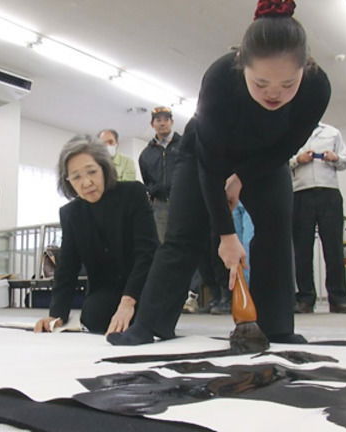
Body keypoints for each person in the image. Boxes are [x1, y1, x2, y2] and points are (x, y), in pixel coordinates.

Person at [108, 0, 330, 345]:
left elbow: (286, 146)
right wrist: (226, 237)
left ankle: (276, 326)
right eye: (261, 83)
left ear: (305, 68)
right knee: (184, 234)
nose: (274, 93)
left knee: (274, 232)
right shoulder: (219, 78)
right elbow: (210, 165)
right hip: (203, 154)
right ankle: (150, 325)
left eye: (288, 84)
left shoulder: (317, 87)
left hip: (265, 160)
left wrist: (241, 179)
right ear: (242, 65)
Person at [34, 135, 158, 334]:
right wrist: (56, 315)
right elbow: (67, 267)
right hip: (107, 287)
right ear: (68, 181)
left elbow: (147, 252)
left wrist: (128, 301)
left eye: (92, 172)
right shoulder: (70, 214)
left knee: (150, 320)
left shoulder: (133, 194)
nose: (86, 182)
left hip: (145, 282)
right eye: (76, 177)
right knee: (94, 318)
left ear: (104, 168)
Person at [291, 122, 346, 314]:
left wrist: (335, 158)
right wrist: (298, 159)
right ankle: (305, 298)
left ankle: (339, 299)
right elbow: (281, 161)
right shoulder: (292, 130)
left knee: (334, 248)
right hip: (301, 192)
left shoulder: (332, 132)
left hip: (329, 192)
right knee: (302, 249)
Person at [138, 106, 183, 242]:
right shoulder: (146, 154)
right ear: (152, 124)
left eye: (166, 119)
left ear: (172, 122)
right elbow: (147, 180)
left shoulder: (185, 145)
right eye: (158, 120)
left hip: (184, 202)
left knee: (189, 241)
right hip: (160, 206)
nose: (162, 123)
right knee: (164, 244)